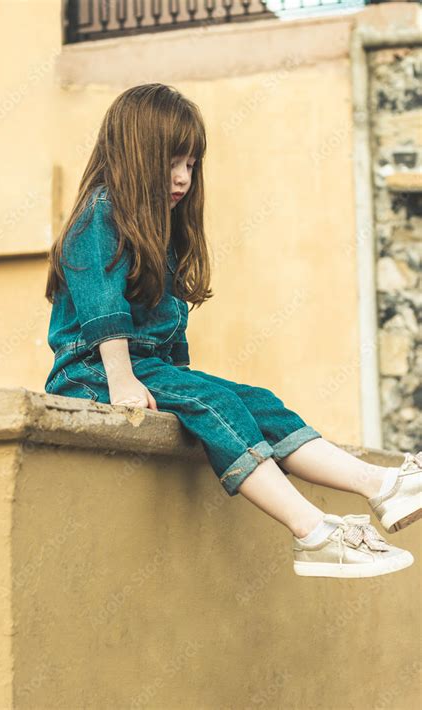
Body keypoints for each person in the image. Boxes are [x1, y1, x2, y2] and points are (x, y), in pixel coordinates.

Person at [44, 83, 421, 579]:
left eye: (192, 165)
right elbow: (102, 307)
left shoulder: (159, 231)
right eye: (172, 162)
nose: (183, 178)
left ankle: (382, 486)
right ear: (135, 155)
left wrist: (182, 386)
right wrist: (122, 382)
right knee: (217, 405)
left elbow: (169, 337)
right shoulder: (101, 213)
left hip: (145, 370)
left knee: (256, 401)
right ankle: (313, 532)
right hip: (91, 371)